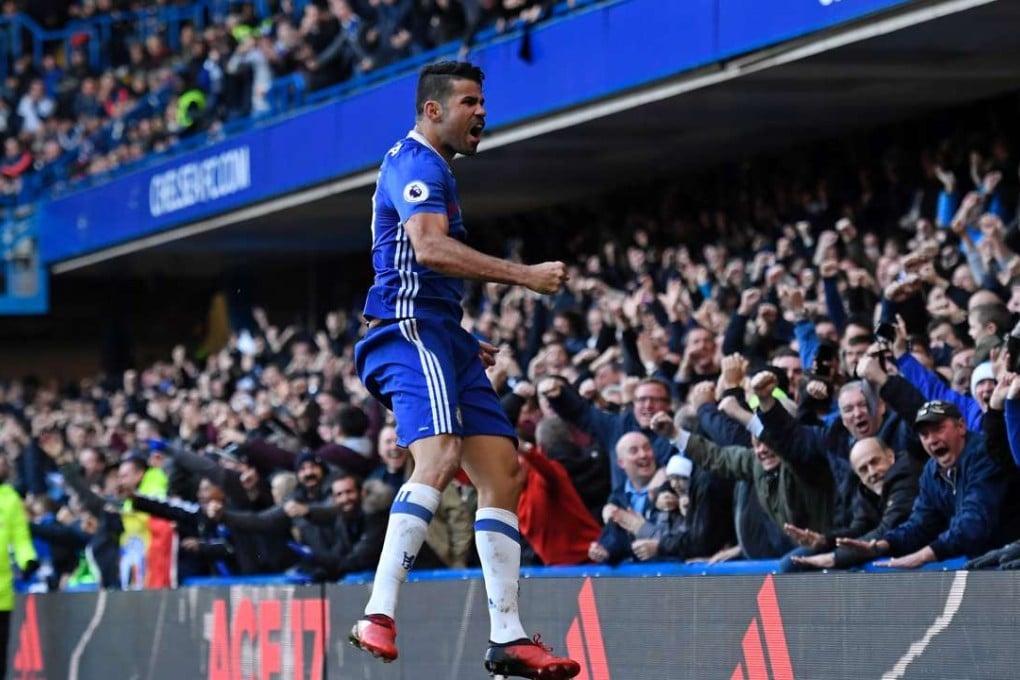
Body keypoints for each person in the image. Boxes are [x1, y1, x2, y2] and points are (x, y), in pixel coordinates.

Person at [349, 61, 579, 679]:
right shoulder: (416, 161)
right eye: (470, 102)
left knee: (503, 471)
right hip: (407, 331)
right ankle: (377, 612)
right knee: (441, 455)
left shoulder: (433, 167)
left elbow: (418, 262)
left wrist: (462, 334)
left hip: (441, 333)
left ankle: (507, 636)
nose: (482, 112)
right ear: (433, 110)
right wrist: (525, 276)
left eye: (483, 101)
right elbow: (427, 249)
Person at [0, 451, 37, 678]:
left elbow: (21, 537)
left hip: (2, 594)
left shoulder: (10, 498)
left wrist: (28, 560)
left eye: (3, 462)